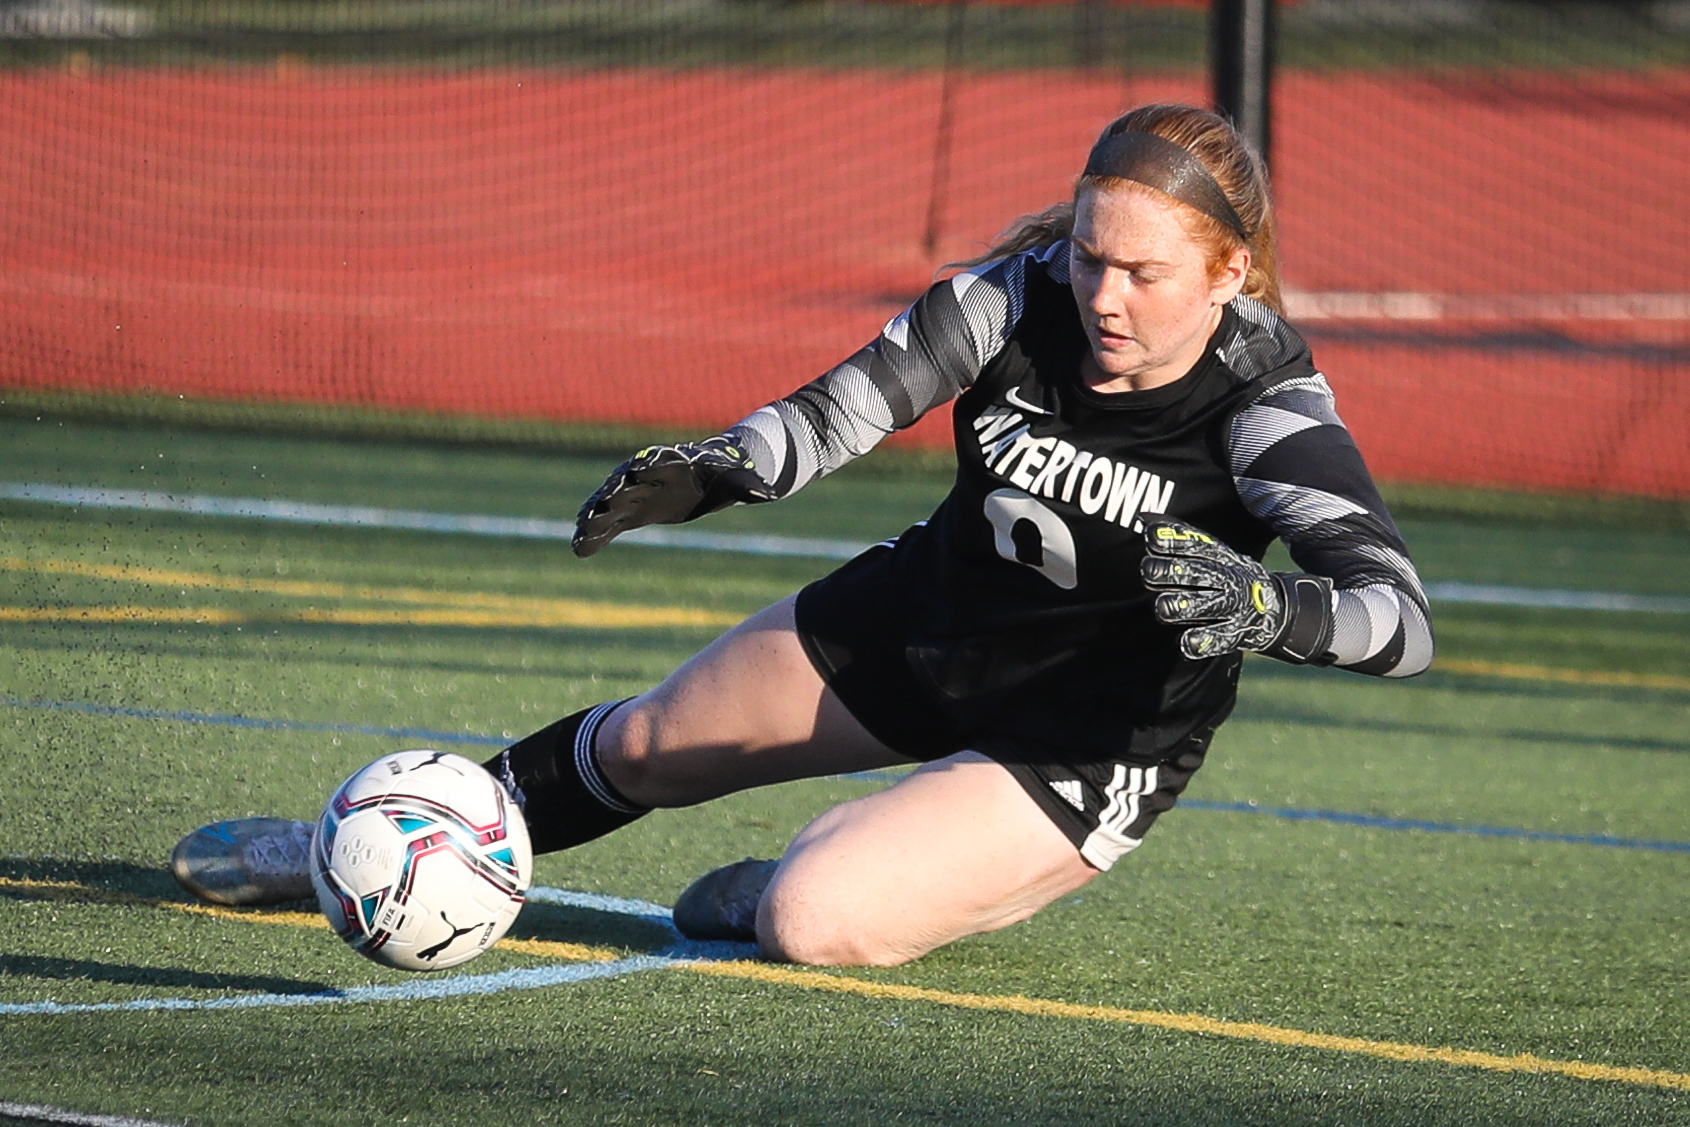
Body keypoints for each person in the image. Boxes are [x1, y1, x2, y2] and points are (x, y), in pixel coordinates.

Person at [172, 103, 1433, 968]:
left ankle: (796, 874)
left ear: (1226, 276)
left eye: (1141, 274)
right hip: (928, 622)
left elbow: (1398, 618)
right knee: (648, 740)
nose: (1101, 292)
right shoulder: (1014, 296)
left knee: (815, 917)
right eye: (1090, 253)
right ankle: (366, 851)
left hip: (1083, 740)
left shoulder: (1266, 403)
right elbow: (843, 410)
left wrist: (1275, 614)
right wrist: (725, 471)